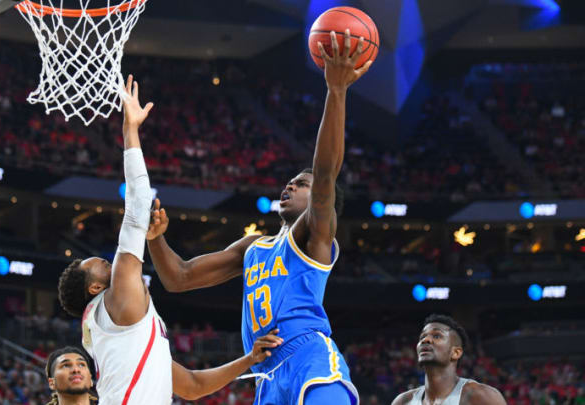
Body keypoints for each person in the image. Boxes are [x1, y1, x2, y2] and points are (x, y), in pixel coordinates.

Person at [146, 31, 372, 404]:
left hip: (309, 359)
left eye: (300, 184)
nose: (289, 186)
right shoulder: (254, 247)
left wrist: (337, 91)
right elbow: (178, 278)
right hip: (265, 373)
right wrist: (155, 238)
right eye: (290, 182)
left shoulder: (315, 237)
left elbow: (327, 173)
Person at [56, 75, 283, 405]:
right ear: (95, 288)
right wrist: (130, 131)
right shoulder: (116, 299)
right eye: (104, 265)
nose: (112, 262)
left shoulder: (121, 329)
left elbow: (190, 385)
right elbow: (136, 211)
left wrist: (249, 360)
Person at [391, 314, 506, 405]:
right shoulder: (403, 402)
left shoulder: (482, 397)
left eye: (436, 336)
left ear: (455, 353)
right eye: (422, 336)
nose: (425, 340)